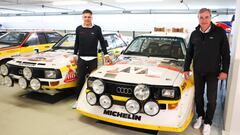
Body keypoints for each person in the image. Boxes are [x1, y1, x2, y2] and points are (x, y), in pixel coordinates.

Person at [184, 8, 230, 135]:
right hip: (198, 71)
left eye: (206, 17)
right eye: (201, 17)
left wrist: (224, 71)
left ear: (210, 17)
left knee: (212, 99)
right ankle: (200, 117)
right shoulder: (194, 34)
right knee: (198, 96)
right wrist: (186, 68)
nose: (204, 20)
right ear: (198, 18)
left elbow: (226, 54)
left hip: (213, 72)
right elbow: (189, 54)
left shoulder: (220, 33)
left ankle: (208, 122)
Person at [73, 9, 111, 109]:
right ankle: (77, 101)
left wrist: (106, 54)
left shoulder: (97, 29)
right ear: (82, 18)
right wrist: (74, 54)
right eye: (85, 17)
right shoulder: (78, 29)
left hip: (93, 59)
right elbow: (77, 42)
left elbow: (102, 42)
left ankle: (93, 101)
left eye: (89, 17)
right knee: (80, 81)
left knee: (93, 81)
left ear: (92, 17)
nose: (87, 19)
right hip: (81, 59)